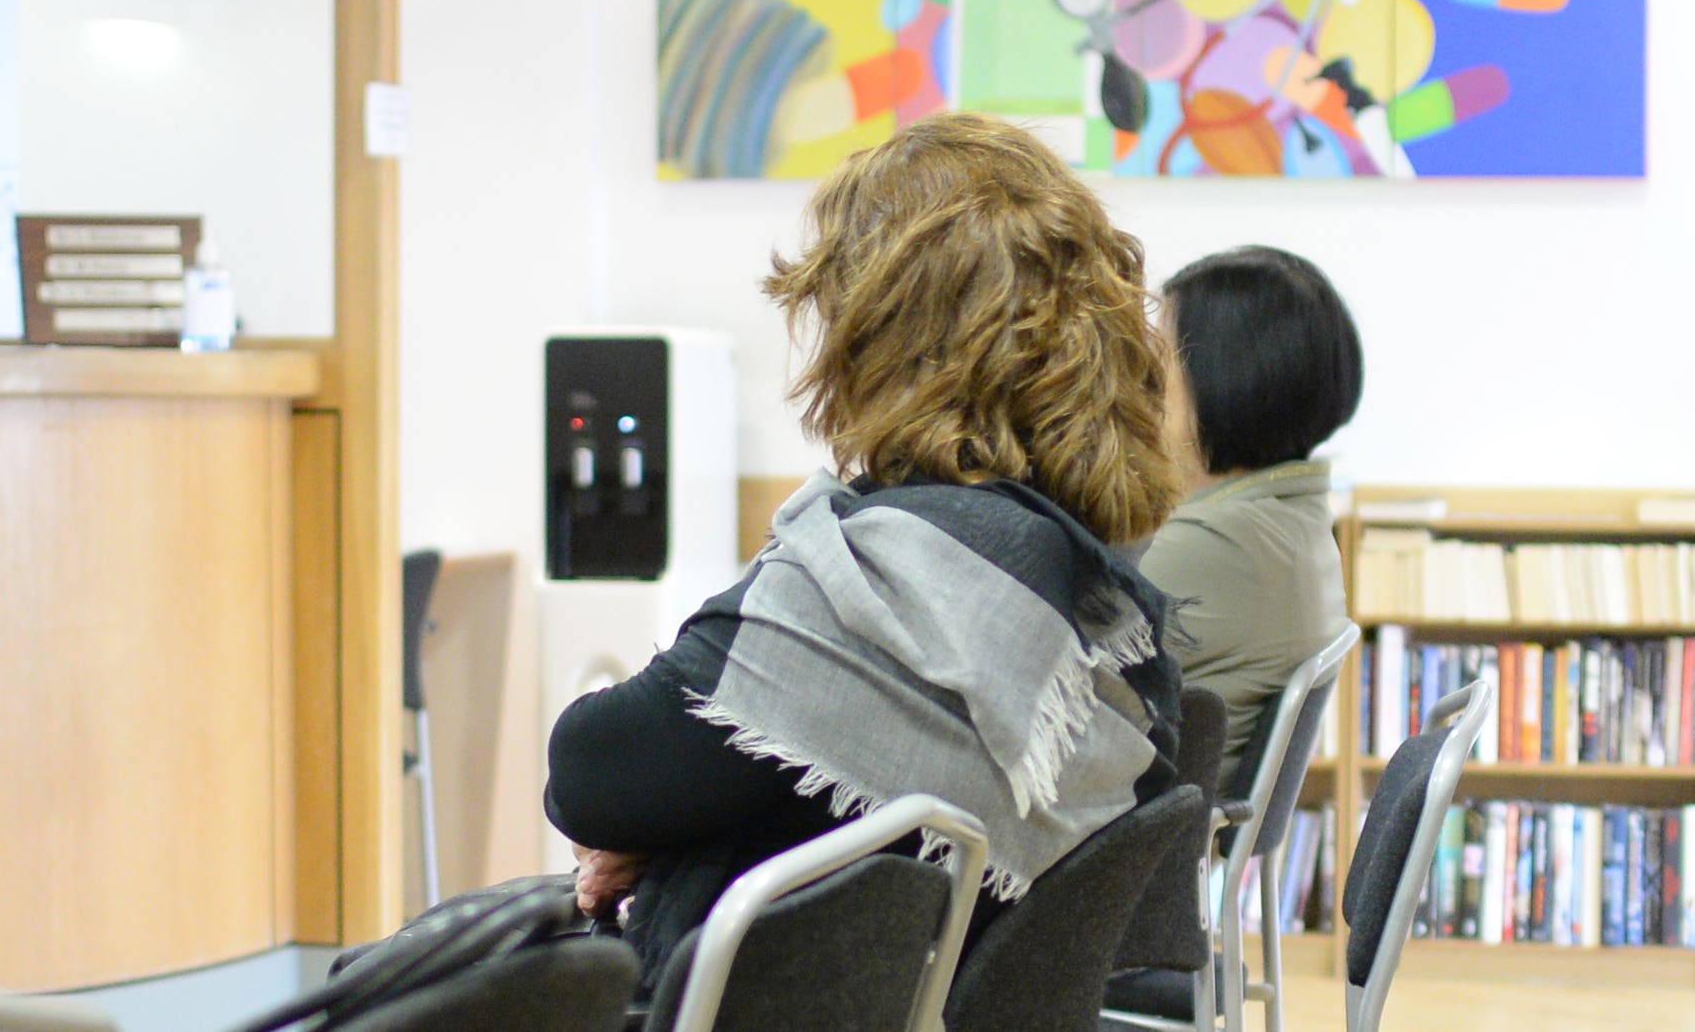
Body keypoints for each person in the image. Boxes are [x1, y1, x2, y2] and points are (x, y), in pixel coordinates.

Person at [543, 110, 1187, 995]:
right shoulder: (1090, 587)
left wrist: (657, 833)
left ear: (886, 334)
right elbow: (775, 771)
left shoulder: (884, 580)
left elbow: (591, 770)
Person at [1140, 245, 1363, 794]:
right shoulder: (1288, 518)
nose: (1141, 383)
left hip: (1113, 855)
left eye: (1162, 357)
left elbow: (1049, 654)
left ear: (1226, 378)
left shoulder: (1220, 546)